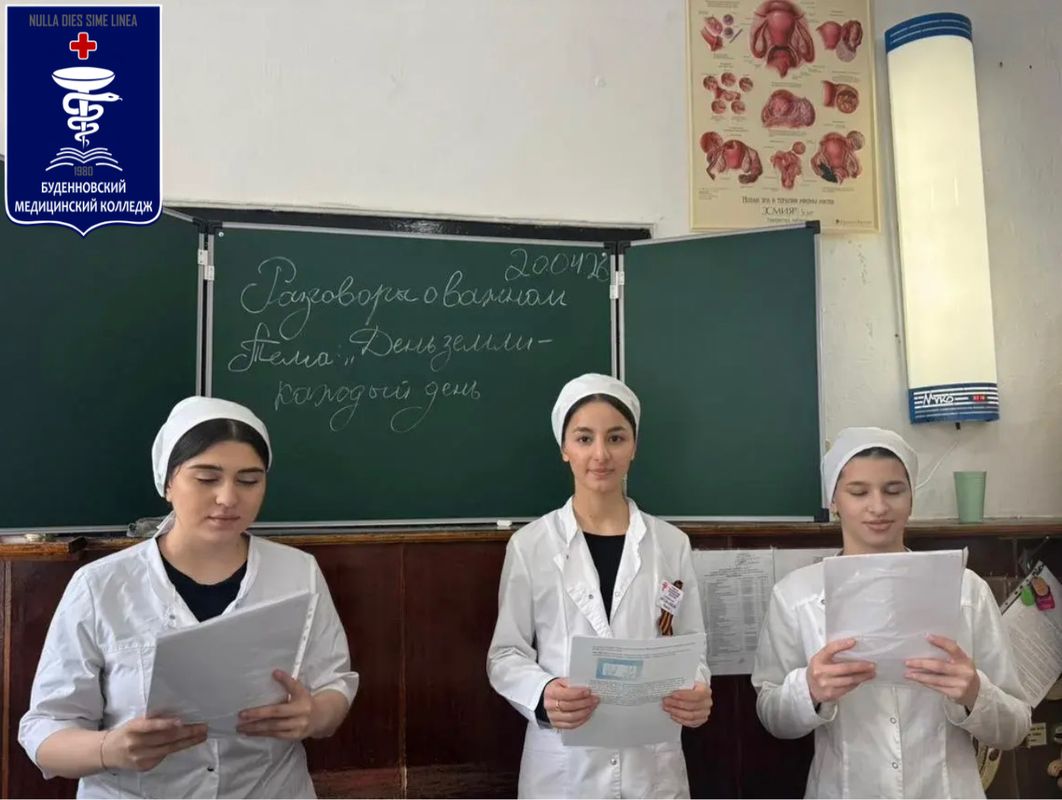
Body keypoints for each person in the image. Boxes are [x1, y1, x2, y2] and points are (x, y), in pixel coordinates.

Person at [19, 396, 358, 798]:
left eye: (249, 481)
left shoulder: (298, 572)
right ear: (167, 482)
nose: (228, 498)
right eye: (207, 479)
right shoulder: (100, 586)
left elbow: (333, 682)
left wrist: (315, 716)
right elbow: (44, 730)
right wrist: (111, 749)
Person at [751, 426, 1031, 798]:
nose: (879, 507)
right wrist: (809, 689)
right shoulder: (796, 595)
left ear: (911, 498)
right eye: (858, 492)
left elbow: (1015, 727)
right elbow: (772, 716)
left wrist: (975, 693)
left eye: (894, 490)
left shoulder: (966, 591)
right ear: (834, 500)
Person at [487, 373, 711, 799]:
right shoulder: (531, 546)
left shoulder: (671, 544)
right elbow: (505, 654)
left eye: (616, 438)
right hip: (564, 770)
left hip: (652, 769)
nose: (601, 454)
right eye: (584, 438)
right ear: (564, 449)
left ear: (634, 447)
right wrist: (543, 694)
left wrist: (698, 690)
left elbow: (691, 647)